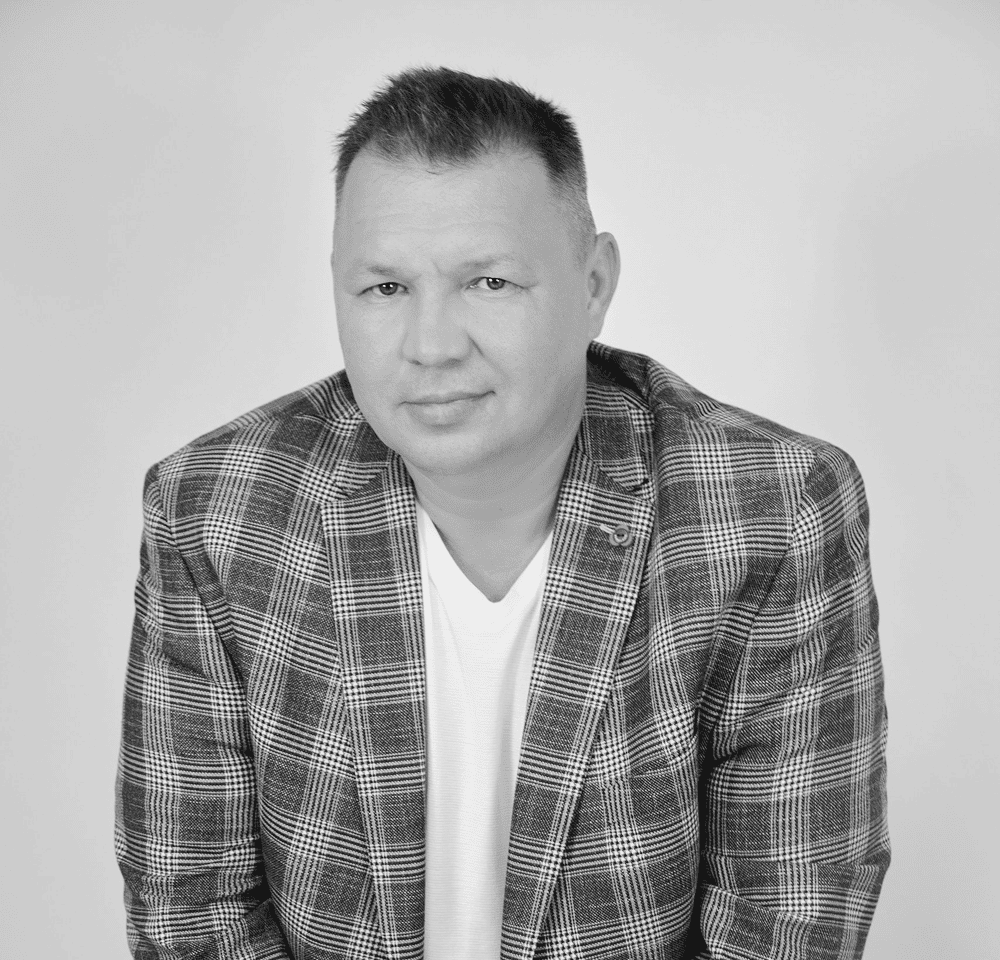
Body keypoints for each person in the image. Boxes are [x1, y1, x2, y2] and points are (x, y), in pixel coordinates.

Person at [115, 66, 890, 960]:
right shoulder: (214, 510)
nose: (432, 346)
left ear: (592, 285)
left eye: (488, 282)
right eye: (385, 289)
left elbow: (791, 916)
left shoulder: (774, 510)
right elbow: (191, 911)